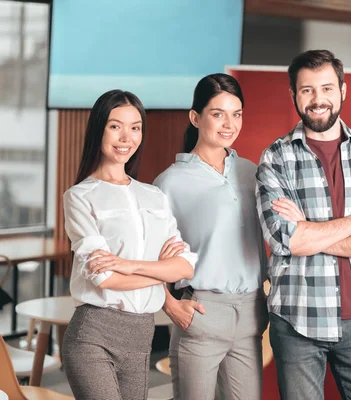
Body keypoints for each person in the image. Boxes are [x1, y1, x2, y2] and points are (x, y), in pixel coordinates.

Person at [255, 50, 351, 400]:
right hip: (297, 322)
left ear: (343, 90)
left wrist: (309, 228)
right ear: (293, 95)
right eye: (307, 90)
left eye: (326, 88)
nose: (317, 99)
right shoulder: (275, 158)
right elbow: (283, 239)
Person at [61, 89, 197, 400]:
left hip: (141, 338)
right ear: (99, 129)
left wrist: (131, 266)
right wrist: (162, 271)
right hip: (94, 335)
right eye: (115, 126)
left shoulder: (154, 196)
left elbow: (185, 265)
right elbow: (106, 278)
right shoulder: (80, 197)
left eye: (135, 127)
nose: (126, 137)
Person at [153, 73, 268, 400]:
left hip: (250, 316)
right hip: (201, 313)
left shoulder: (252, 172)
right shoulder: (169, 183)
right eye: (218, 114)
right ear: (195, 117)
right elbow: (149, 257)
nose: (229, 124)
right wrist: (170, 306)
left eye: (237, 114)